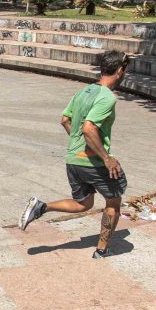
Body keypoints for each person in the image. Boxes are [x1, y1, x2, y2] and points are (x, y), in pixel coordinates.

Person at [18, 50, 131, 258]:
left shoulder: (83, 92)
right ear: (120, 70)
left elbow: (64, 119)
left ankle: (42, 207)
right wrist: (106, 158)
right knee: (113, 202)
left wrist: (77, 145)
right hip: (94, 163)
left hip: (73, 160)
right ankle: (101, 250)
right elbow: (89, 128)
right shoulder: (107, 98)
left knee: (84, 203)